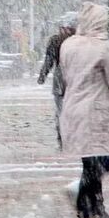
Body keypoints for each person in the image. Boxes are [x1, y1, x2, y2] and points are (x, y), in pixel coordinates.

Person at [59, 2, 109, 218]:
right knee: (105, 160)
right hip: (97, 111)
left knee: (89, 163)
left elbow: (66, 74)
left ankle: (93, 214)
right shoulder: (103, 46)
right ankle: (87, 209)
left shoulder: (68, 45)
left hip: (73, 108)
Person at [37, 11, 78, 150]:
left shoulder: (57, 40)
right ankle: (67, 138)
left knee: (63, 111)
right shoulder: (79, 41)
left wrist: (43, 74)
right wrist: (43, 74)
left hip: (67, 80)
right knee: (68, 111)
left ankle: (64, 138)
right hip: (73, 80)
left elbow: (49, 61)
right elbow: (49, 60)